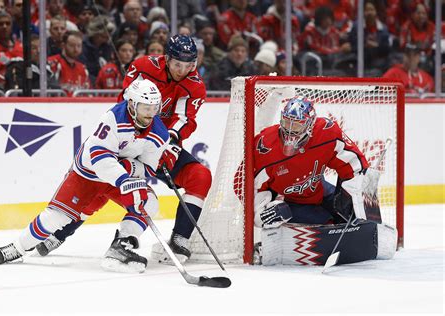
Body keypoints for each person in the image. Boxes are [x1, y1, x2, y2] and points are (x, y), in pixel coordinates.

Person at [34, 35, 212, 265]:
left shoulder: (195, 85)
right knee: (101, 185)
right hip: (128, 140)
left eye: (189, 65)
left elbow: (184, 119)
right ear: (167, 58)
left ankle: (178, 238)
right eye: (178, 64)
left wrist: (171, 144)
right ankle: (61, 232)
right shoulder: (143, 67)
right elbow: (126, 107)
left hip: (158, 145)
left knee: (200, 176)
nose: (183, 70)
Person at [0, 79, 170, 274]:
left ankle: (121, 246)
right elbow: (99, 158)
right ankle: (18, 248)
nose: (150, 114)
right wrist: (125, 179)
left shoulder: (159, 133)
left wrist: (129, 168)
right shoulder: (113, 118)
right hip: (89, 173)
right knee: (56, 217)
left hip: (120, 176)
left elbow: (148, 169)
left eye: (154, 108)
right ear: (132, 105)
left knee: (150, 203)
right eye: (145, 108)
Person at [246, 96, 396, 265]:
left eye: (297, 125)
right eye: (287, 123)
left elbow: (353, 164)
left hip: (319, 189)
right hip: (292, 201)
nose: (290, 131)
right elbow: (250, 186)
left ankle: (355, 226)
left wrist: (359, 192)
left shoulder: (327, 132)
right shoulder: (265, 145)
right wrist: (261, 213)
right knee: (325, 222)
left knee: (349, 214)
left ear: (310, 124)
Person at [48, 30, 90, 96]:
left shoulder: (82, 68)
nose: (76, 49)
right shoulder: (53, 63)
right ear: (63, 45)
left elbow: (88, 93)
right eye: (72, 45)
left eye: (79, 46)